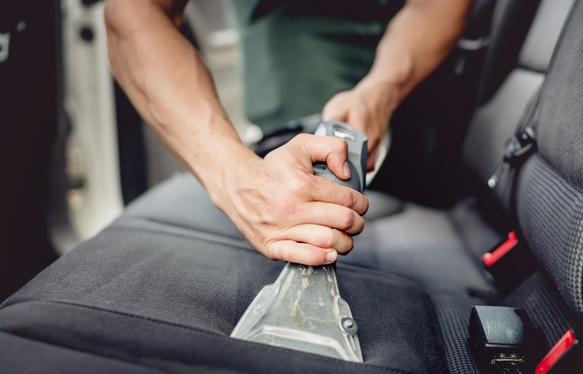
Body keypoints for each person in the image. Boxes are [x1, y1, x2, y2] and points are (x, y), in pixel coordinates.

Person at [104, 0, 471, 266]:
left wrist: (379, 91)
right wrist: (238, 179)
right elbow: (133, 13)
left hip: (414, 120)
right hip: (285, 139)